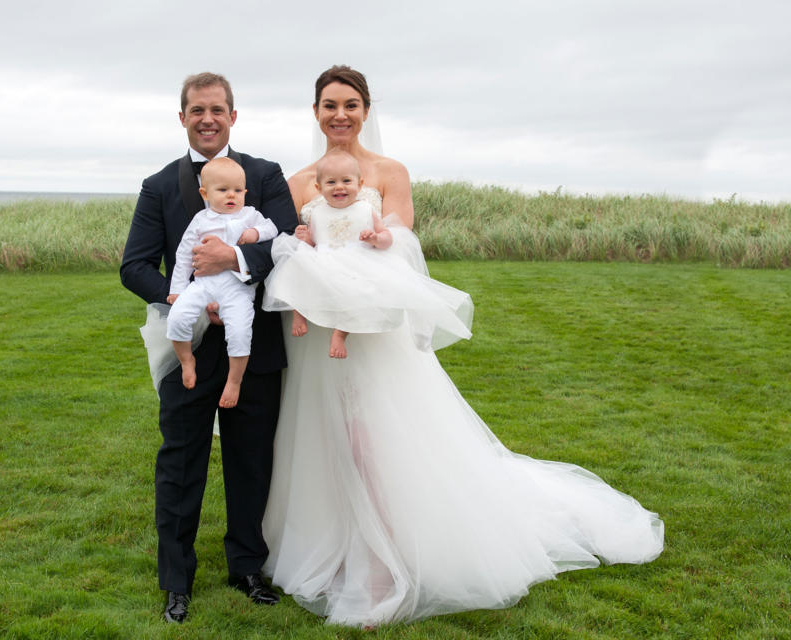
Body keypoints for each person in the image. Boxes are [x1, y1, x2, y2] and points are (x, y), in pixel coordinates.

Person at [260, 65, 664, 628]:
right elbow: (288, 246)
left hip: (374, 331)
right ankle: (331, 544)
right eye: (329, 104)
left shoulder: (389, 171)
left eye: (351, 104)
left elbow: (400, 242)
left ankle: (384, 558)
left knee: (370, 438)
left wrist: (373, 251)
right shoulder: (297, 179)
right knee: (325, 434)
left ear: (367, 110)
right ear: (315, 112)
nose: (340, 115)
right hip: (315, 336)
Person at [120, 72, 297, 624]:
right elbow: (133, 267)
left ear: (232, 116)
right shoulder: (158, 186)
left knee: (251, 460)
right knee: (180, 461)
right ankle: (177, 578)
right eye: (197, 110)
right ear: (182, 118)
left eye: (217, 109)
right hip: (191, 343)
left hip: (256, 347)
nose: (208, 118)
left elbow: (289, 247)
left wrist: (237, 264)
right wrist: (182, 298)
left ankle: (246, 566)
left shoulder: (264, 175)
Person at [263, 149, 472, 359]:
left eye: (346, 181)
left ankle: (340, 334)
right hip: (325, 259)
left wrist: (375, 238)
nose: (339, 187)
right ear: (319, 188)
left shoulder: (365, 209)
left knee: (358, 295)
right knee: (296, 269)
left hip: (356, 260)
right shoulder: (317, 212)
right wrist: (304, 237)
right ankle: (299, 315)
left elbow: (388, 237)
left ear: (360, 184)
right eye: (331, 182)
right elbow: (316, 241)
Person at [166, 157, 278, 407]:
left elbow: (273, 229)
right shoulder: (200, 220)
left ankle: (234, 380)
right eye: (223, 190)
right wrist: (177, 289)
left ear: (245, 192)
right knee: (177, 317)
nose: (232, 195)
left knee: (240, 332)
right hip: (203, 284)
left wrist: (255, 233)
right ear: (205, 193)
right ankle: (186, 361)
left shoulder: (250, 215)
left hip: (238, 288)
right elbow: (184, 254)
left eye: (238, 190)